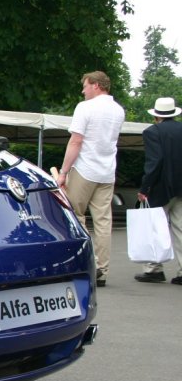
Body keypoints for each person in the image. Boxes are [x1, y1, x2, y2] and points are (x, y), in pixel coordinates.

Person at [56, 71, 124, 287]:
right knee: (103, 221)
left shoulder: (85, 107)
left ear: (95, 85)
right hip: (107, 171)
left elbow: (76, 141)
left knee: (76, 215)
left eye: (85, 86)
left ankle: (86, 263)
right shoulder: (118, 110)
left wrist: (64, 172)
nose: (83, 90)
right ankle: (102, 268)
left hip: (85, 170)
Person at [134, 97, 182, 283]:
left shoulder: (152, 132)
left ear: (156, 116)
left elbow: (155, 162)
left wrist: (145, 187)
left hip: (160, 188)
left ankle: (154, 269)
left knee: (155, 228)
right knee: (180, 229)